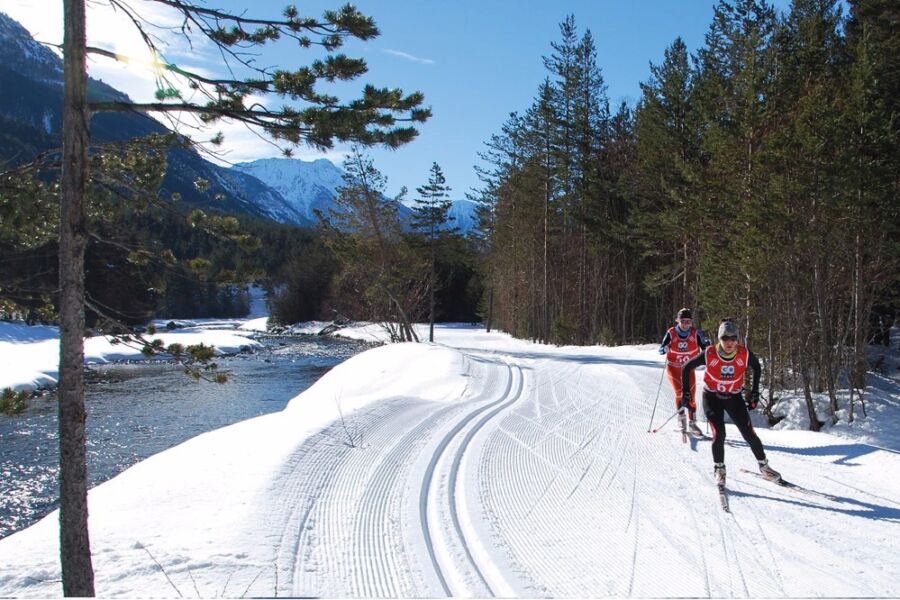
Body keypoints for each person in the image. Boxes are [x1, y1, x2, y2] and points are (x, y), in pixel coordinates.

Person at [680, 318, 781, 488]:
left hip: (734, 397)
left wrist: (754, 393)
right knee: (719, 434)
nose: (729, 342)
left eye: (733, 338)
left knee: (749, 434)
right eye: (725, 338)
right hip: (712, 397)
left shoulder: (744, 354)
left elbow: (757, 367)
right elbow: (686, 367)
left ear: (738, 339)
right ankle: (719, 470)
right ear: (719, 339)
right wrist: (686, 393)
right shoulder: (710, 353)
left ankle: (764, 467)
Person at [658, 308, 710, 437]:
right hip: (674, 368)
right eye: (683, 321)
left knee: (691, 396)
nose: (685, 324)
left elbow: (705, 349)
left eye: (688, 321)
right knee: (680, 393)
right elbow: (660, 350)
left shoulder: (695, 333)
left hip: (688, 370)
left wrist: (708, 349)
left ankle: (692, 422)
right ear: (678, 321)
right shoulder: (671, 333)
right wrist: (666, 348)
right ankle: (682, 420)